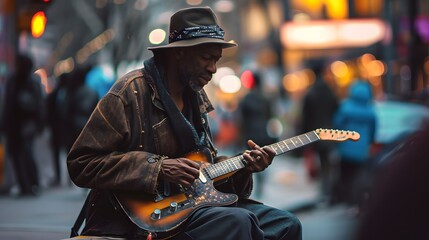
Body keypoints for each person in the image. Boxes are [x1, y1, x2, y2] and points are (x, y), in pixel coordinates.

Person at [67, 7, 301, 240]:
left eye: (217, 60)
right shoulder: (129, 93)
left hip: (193, 207)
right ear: (179, 53)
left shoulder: (196, 97)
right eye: (206, 58)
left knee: (286, 224)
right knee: (238, 222)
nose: (213, 69)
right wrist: (158, 168)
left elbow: (203, 166)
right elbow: (81, 163)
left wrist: (242, 167)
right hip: (139, 220)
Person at [1, 54, 44, 196]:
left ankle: (32, 184)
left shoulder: (30, 82)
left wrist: (39, 123)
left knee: (26, 154)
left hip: (26, 124)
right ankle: (25, 186)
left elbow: (38, 104)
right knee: (16, 154)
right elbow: (8, 104)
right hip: (15, 124)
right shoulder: (13, 81)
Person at [331, 80, 377, 210]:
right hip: (362, 150)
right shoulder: (370, 110)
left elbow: (337, 124)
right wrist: (370, 143)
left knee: (346, 176)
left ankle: (347, 202)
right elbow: (373, 129)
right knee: (359, 177)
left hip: (345, 148)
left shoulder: (346, 107)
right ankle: (357, 203)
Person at [300, 61, 339, 202]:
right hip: (331, 132)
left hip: (316, 134)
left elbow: (305, 118)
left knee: (323, 163)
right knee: (329, 163)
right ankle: (329, 193)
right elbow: (337, 110)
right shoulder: (330, 90)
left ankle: (325, 192)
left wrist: (304, 139)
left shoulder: (311, 93)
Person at [238, 71, 277, 199]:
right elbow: (271, 117)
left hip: (250, 136)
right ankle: (261, 184)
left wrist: (239, 138)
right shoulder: (266, 98)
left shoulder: (246, 99)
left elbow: (241, 121)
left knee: (250, 161)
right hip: (264, 133)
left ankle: (255, 185)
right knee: (263, 157)